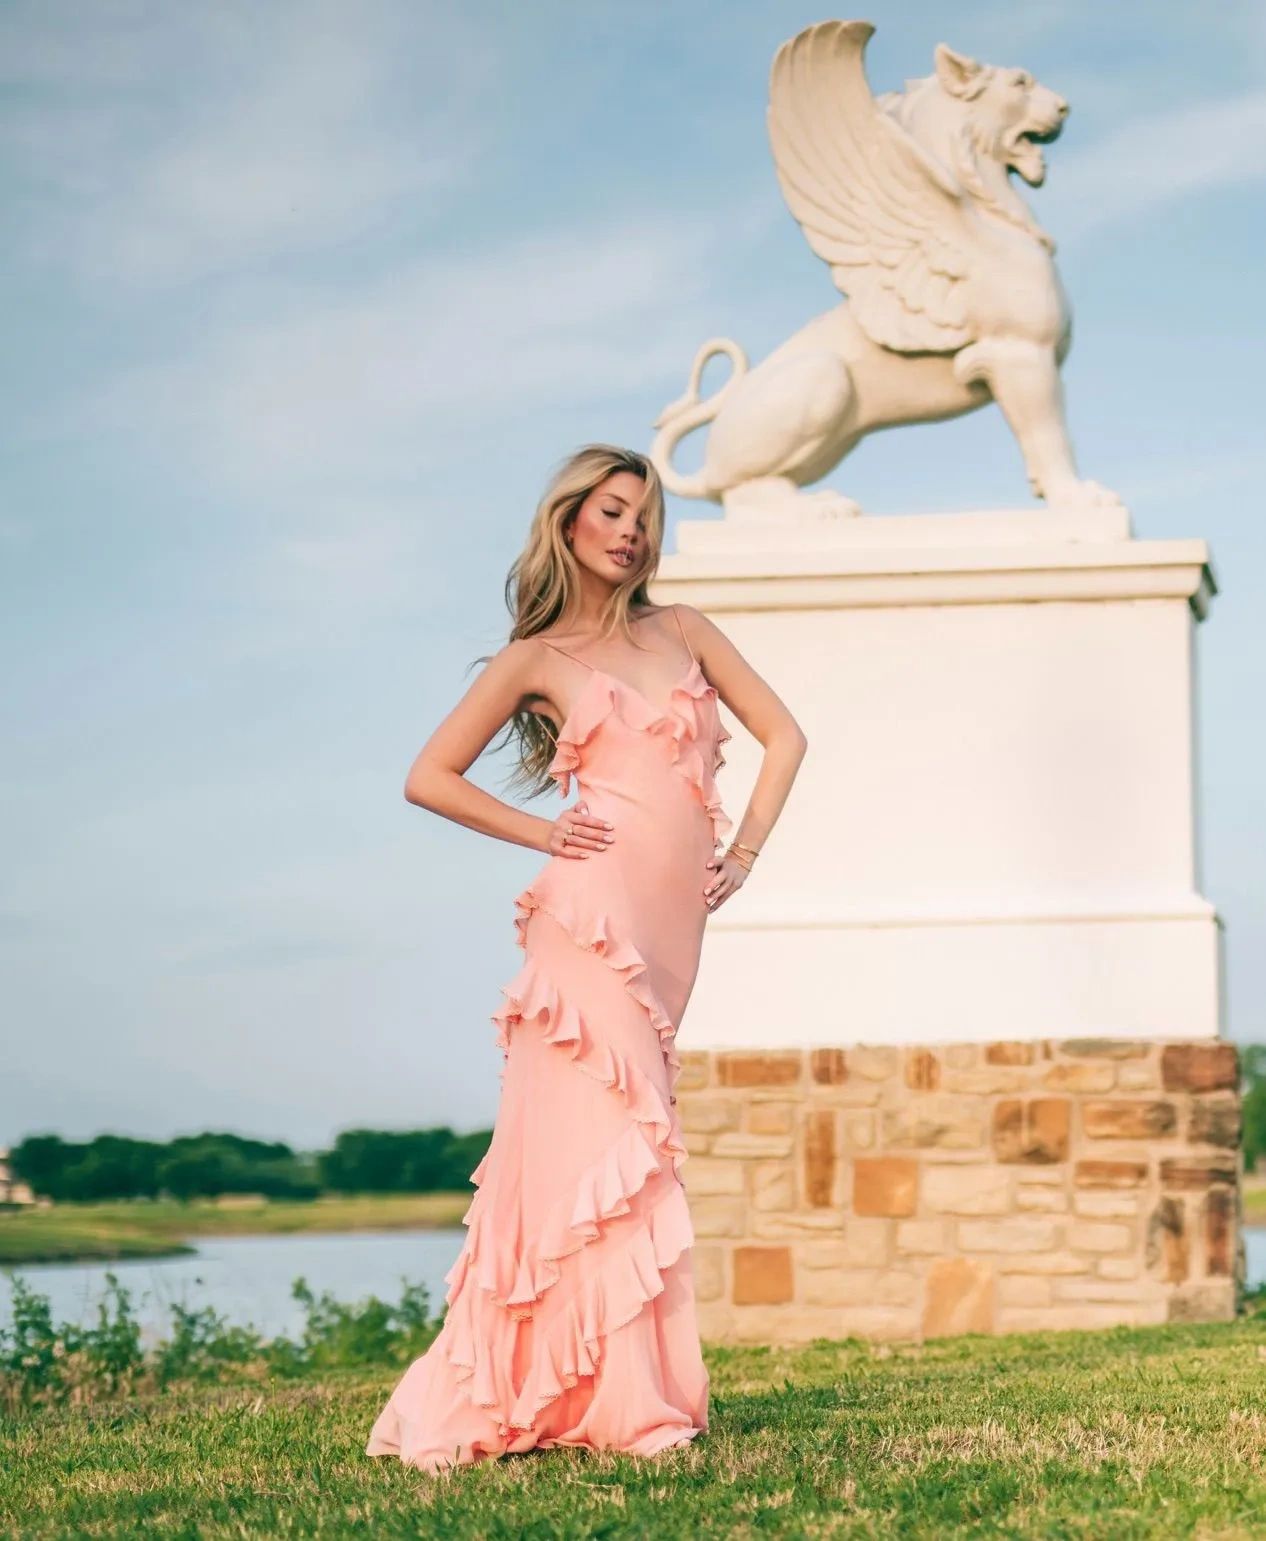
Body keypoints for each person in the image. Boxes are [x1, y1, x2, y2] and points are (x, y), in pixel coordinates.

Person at [365, 443, 808, 1472]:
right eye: (610, 510)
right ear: (569, 521)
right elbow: (428, 775)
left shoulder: (684, 629)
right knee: (606, 1138)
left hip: (668, 936)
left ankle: (611, 1386)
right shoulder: (536, 658)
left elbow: (785, 735)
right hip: (588, 923)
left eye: (645, 514)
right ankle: (611, 1397)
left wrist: (744, 849)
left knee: (624, 1140)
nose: (630, 530)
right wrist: (544, 834)